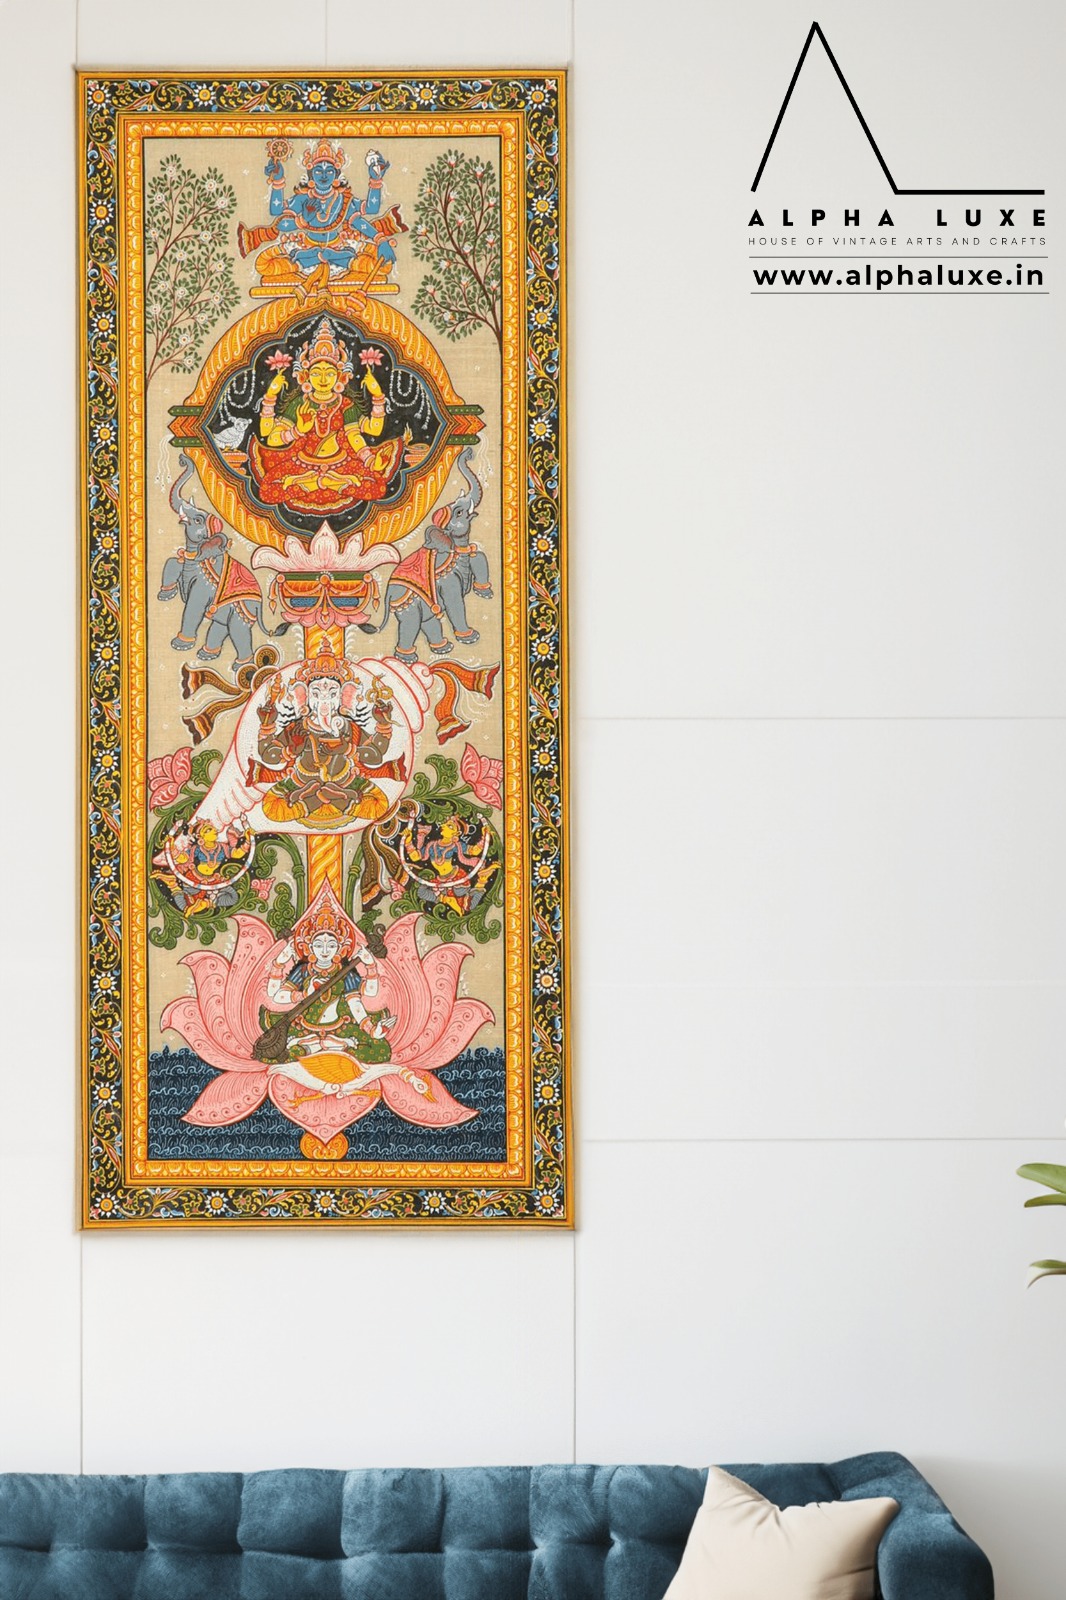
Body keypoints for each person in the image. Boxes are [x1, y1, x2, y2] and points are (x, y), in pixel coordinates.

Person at [247, 319, 406, 515]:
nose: (323, 380)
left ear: (340, 377)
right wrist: (293, 425)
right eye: (316, 373)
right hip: (303, 463)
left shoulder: (345, 404)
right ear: (306, 376)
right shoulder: (300, 403)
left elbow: (361, 434)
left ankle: (320, 482)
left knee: (377, 487)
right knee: (267, 490)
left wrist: (378, 396)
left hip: (340, 463)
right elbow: (270, 437)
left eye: (329, 374)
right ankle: (325, 482)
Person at [253, 649, 404, 826]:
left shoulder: (347, 727)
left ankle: (317, 795)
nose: (324, 700)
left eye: (332, 694)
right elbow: (267, 755)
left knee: (379, 806)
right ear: (304, 697)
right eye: (316, 694)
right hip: (301, 781)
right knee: (271, 808)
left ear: (343, 697)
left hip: (344, 780)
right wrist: (287, 745)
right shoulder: (298, 727)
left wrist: (379, 726)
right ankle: (334, 795)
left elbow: (375, 755)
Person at [237, 138, 407, 275]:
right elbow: (277, 215)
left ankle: (327, 256)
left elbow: (369, 211)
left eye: (329, 171)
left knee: (384, 266)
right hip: (305, 249)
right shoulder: (303, 199)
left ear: (336, 175)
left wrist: (376, 180)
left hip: (339, 248)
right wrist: (278, 181)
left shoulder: (343, 199)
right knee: (263, 265)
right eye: (318, 171)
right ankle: (320, 256)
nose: (324, 175)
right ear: (311, 174)